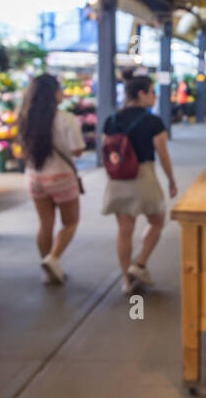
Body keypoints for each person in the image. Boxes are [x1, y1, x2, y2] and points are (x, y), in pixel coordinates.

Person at [101, 74, 176, 294]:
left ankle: (126, 280)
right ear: (141, 94)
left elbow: (106, 151)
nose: (155, 96)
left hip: (118, 179)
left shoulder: (112, 120)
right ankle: (140, 263)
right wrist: (171, 180)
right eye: (152, 91)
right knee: (157, 221)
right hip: (143, 176)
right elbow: (163, 155)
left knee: (124, 230)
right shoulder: (153, 121)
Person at [17, 73, 85, 285]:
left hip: (35, 177)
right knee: (70, 222)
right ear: (53, 94)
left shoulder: (24, 117)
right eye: (60, 89)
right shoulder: (66, 119)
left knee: (45, 224)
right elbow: (77, 150)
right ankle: (53, 259)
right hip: (62, 177)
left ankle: (48, 270)